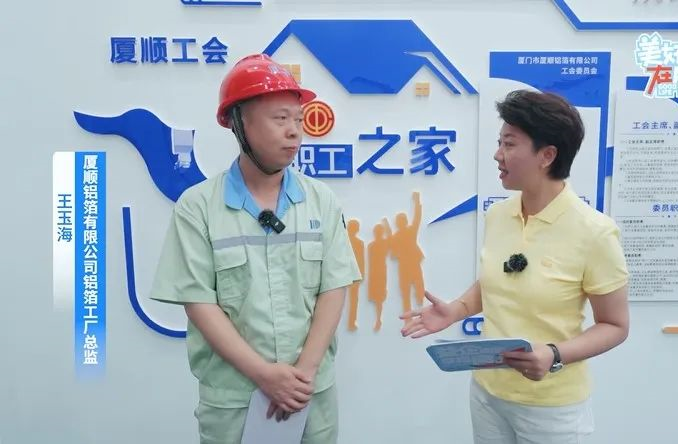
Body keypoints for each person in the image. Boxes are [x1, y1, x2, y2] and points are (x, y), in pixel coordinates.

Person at [150, 53, 361, 444]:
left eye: (298, 119)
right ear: (239, 122)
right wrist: (265, 375)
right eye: (280, 119)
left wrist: (304, 373)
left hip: (310, 395)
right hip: (234, 399)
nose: (294, 132)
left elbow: (334, 287)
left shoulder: (321, 201)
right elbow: (199, 303)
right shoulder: (199, 207)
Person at [401, 90, 630, 444]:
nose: (498, 154)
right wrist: (456, 310)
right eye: (499, 143)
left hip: (551, 406)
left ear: (547, 155)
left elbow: (615, 325)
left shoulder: (595, 232)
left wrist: (554, 354)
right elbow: (499, 280)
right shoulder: (498, 214)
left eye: (509, 144)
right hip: (488, 392)